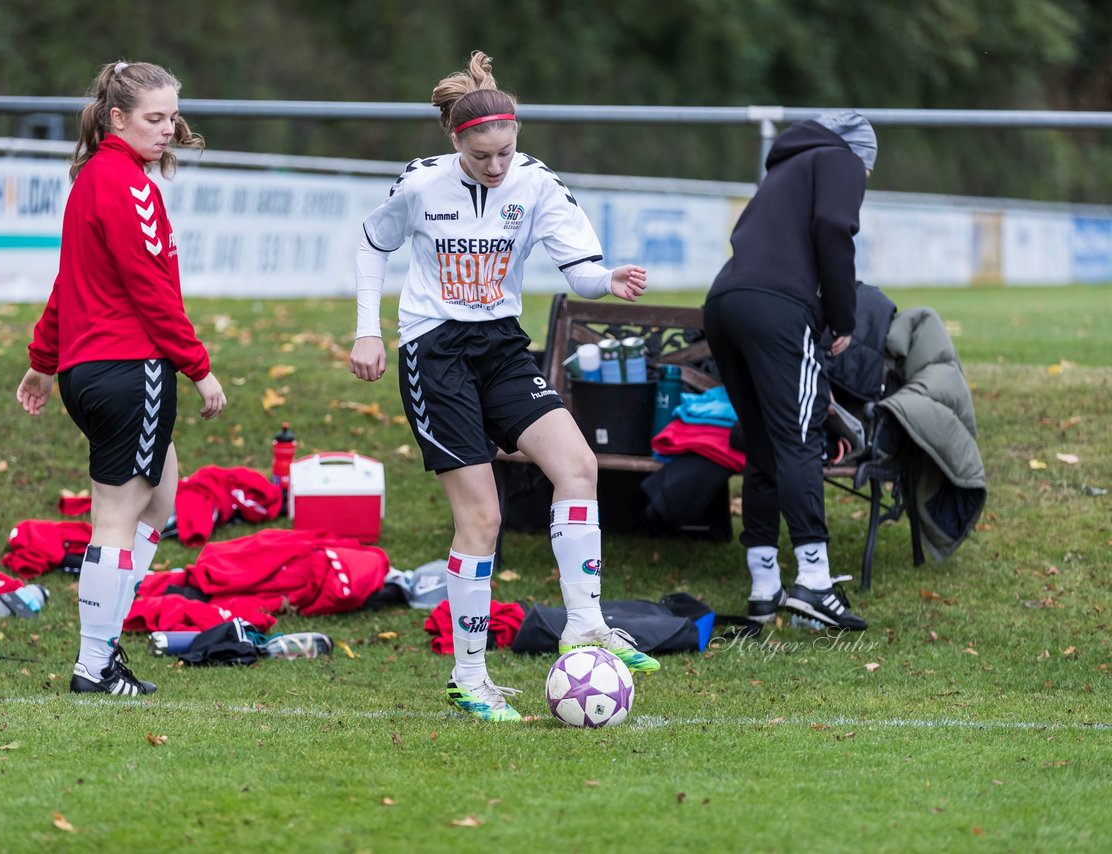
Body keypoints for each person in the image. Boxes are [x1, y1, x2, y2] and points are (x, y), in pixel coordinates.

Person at [349, 51, 660, 723]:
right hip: (436, 353)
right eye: (483, 155)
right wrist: (366, 331)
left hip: (500, 347)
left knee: (577, 466)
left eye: (507, 153)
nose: (497, 166)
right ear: (456, 141)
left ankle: (585, 624)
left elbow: (580, 268)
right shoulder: (421, 186)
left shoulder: (536, 182)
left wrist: (608, 280)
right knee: (483, 519)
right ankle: (468, 677)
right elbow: (372, 243)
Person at [16, 60, 227, 696]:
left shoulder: (91, 180)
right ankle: (96, 663)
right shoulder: (128, 185)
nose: (167, 130)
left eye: (172, 118)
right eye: (153, 118)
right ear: (118, 119)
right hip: (129, 370)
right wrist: (200, 368)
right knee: (116, 515)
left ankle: (105, 639)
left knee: (162, 498)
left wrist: (42, 361)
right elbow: (150, 290)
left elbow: (66, 284)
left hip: (90, 370)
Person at [703, 110, 877, 631]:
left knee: (763, 444)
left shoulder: (783, 170)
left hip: (724, 302)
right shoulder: (840, 157)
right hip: (778, 309)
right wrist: (843, 317)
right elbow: (833, 228)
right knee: (800, 439)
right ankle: (815, 584)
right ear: (860, 154)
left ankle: (764, 587)